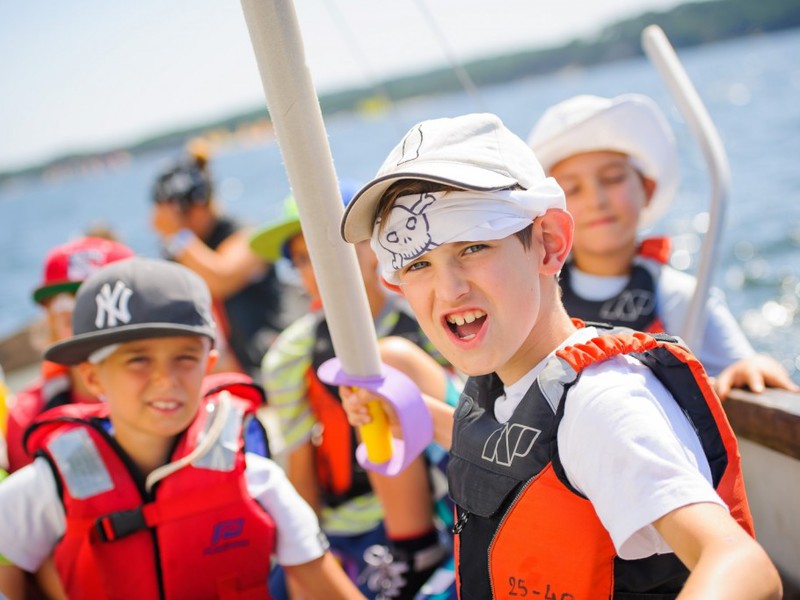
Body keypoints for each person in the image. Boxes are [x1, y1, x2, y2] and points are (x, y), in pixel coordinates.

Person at [338, 113, 782, 598]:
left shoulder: (602, 404)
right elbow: (526, 451)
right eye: (418, 263)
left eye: (474, 246)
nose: (449, 290)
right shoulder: (511, 378)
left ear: (548, 244)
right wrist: (414, 414)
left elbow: (741, 565)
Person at [0, 257, 363, 600]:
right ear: (93, 377)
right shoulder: (49, 487)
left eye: (185, 358)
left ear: (209, 364)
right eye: (138, 359)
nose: (165, 380)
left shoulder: (257, 480)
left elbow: (326, 585)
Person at [250, 183, 456, 600]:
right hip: (346, 520)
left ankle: (418, 548)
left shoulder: (425, 317)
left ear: (371, 245)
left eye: (335, 247)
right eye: (305, 259)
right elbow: (300, 459)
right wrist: (310, 550)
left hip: (432, 502)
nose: (322, 266)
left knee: (381, 372)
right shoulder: (290, 355)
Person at [526, 93, 798, 400]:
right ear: (550, 217)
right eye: (573, 188)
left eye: (613, 178)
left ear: (647, 188)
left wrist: (754, 365)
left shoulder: (685, 299)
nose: (596, 200)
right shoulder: (535, 302)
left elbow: (746, 366)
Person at [150, 139, 308, 378]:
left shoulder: (244, 233)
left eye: (180, 214)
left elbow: (222, 277)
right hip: (241, 375)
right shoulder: (184, 251)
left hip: (281, 365)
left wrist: (176, 236)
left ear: (201, 202)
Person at [4, 235, 134, 473]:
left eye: (102, 313)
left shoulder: (171, 387)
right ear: (51, 321)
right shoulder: (27, 417)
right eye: (69, 315)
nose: (85, 329)